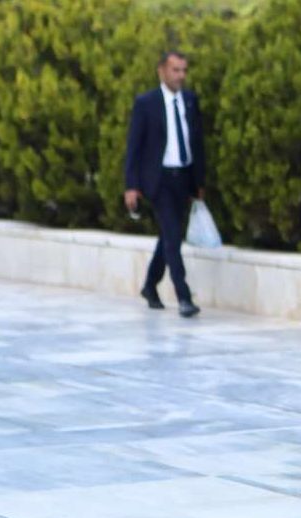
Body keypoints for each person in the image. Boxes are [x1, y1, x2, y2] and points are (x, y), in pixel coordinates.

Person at [123, 50, 206, 318]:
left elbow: (197, 143)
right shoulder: (146, 103)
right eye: (175, 70)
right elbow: (134, 147)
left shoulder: (190, 101)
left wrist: (198, 182)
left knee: (170, 236)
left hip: (183, 177)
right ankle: (184, 296)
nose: (180, 76)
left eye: (184, 70)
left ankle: (150, 285)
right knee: (172, 234)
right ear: (161, 71)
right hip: (158, 180)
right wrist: (131, 185)